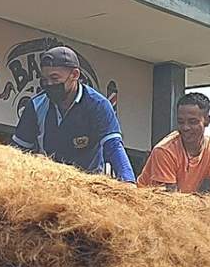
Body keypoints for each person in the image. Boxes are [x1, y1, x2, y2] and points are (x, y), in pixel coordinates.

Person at [11, 46, 134, 182]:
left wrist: (129, 183)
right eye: (45, 80)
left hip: (88, 185)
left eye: (55, 78)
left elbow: (113, 146)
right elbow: (19, 151)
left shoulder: (98, 105)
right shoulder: (35, 106)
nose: (49, 84)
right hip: (49, 183)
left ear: (75, 75)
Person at [137, 92, 210, 195]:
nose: (185, 128)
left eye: (192, 122)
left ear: (207, 120)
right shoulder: (164, 151)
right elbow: (169, 199)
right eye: (181, 122)